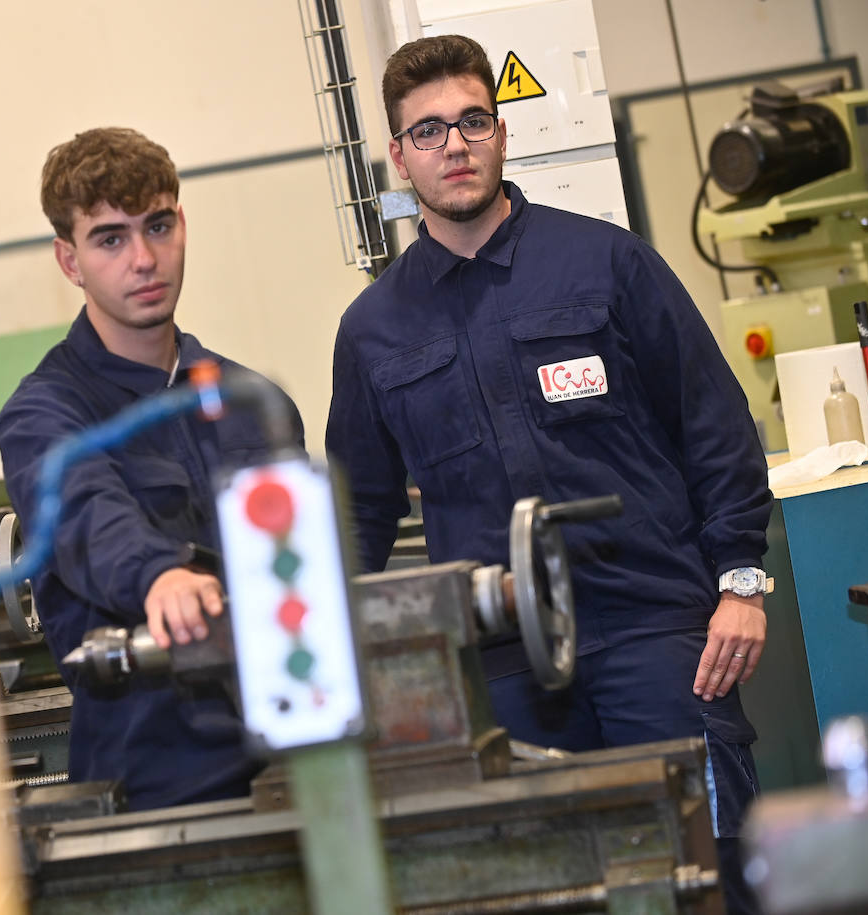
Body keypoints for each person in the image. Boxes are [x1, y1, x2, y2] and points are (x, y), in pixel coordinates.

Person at [325, 36, 771, 913]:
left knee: (708, 877)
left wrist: (742, 582)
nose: (455, 145)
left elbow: (712, 424)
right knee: (551, 892)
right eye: (428, 131)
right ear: (399, 157)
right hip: (500, 672)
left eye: (473, 120)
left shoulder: (607, 262)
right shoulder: (373, 329)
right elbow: (356, 516)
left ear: (501, 132)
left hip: (656, 635)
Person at [0, 127, 304, 811]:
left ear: (181, 226)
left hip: (295, 757)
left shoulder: (254, 403)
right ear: (70, 261)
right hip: (156, 783)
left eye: (158, 227)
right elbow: (86, 511)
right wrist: (159, 574)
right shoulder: (44, 415)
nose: (144, 259)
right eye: (110, 239)